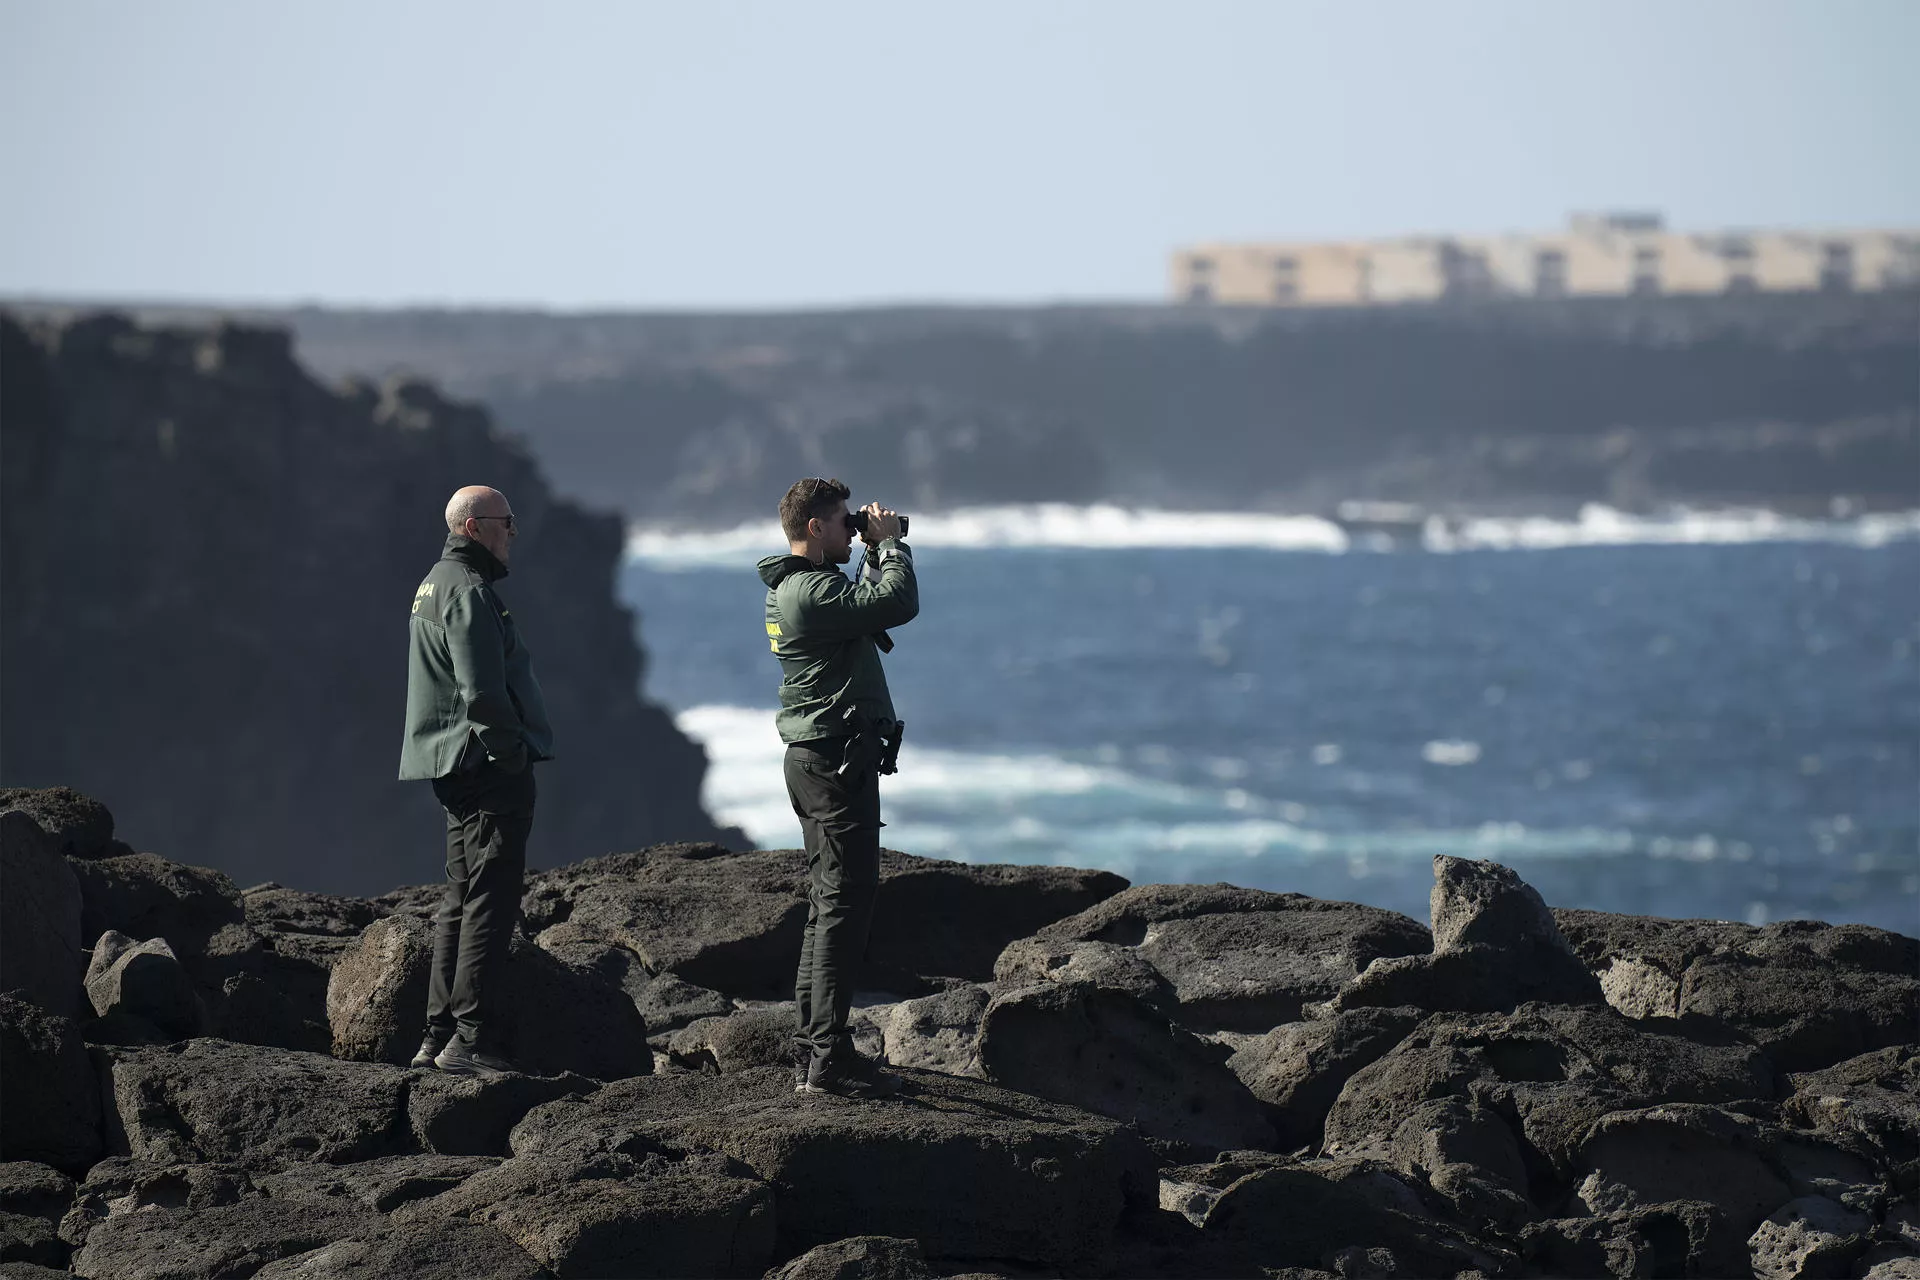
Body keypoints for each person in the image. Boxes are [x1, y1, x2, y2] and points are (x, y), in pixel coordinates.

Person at [758, 477, 918, 1098]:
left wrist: (872, 548)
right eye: (844, 521)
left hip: (824, 758)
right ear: (815, 527)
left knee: (831, 903)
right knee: (843, 905)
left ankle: (816, 1046)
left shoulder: (799, 588)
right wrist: (891, 546)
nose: (852, 529)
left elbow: (869, 602)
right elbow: (895, 603)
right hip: (834, 762)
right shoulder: (807, 592)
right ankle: (826, 1056)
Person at [398, 485, 552, 1076]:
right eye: (506, 522)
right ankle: (469, 1041)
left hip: (449, 763)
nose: (513, 532)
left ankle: (435, 1039)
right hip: (485, 767)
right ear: (473, 526)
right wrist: (511, 756)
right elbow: (481, 689)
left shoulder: (434, 584)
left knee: (459, 900)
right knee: (489, 901)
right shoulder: (467, 590)